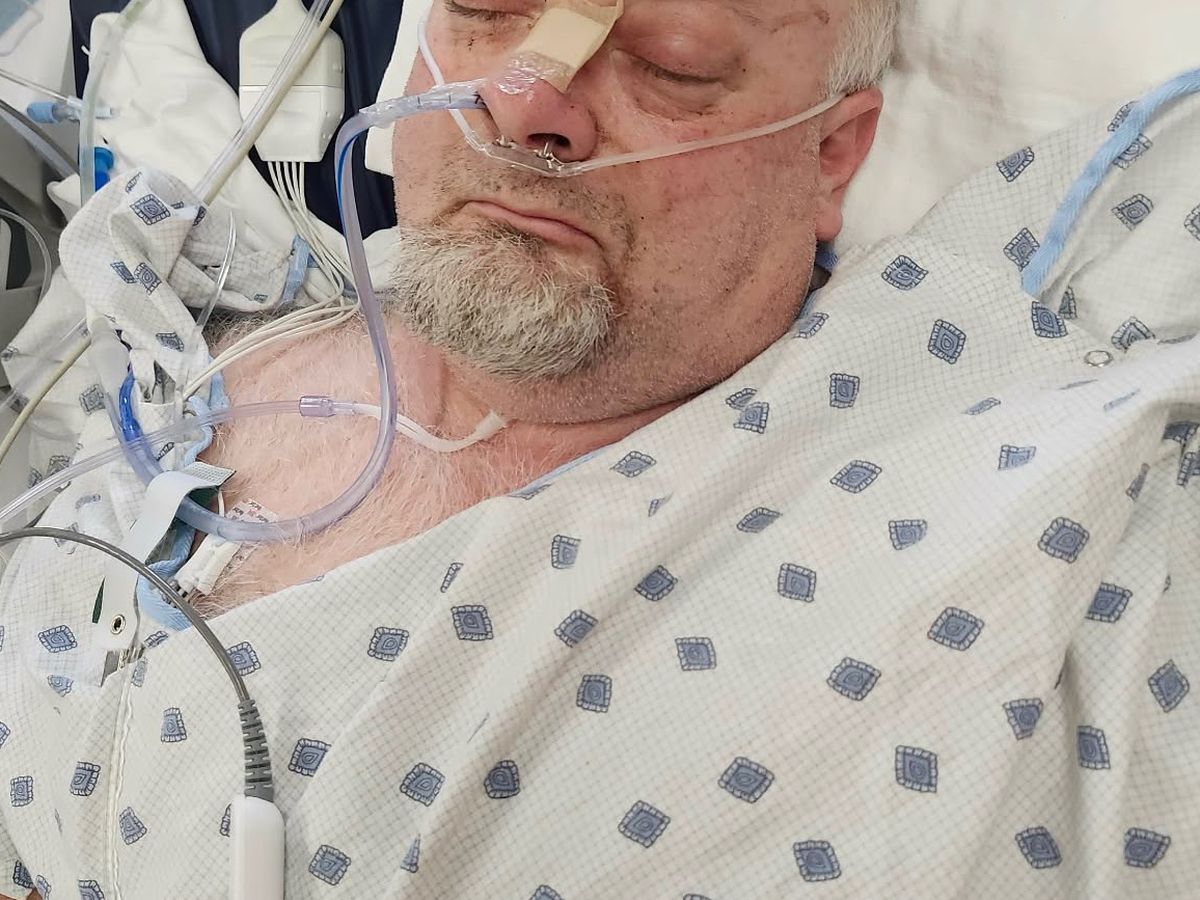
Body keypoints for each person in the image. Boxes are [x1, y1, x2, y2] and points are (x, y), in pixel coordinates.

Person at [198, 0, 893, 612]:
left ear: (828, 155)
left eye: (673, 64)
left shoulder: (815, 565)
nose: (522, 101)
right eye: (484, 10)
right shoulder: (216, 298)